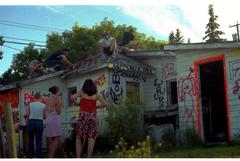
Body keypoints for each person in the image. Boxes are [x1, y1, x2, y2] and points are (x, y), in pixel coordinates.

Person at [70, 79, 108, 158]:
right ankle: (89, 158)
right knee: (91, 138)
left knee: (79, 137)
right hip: (92, 117)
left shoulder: (82, 92)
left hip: (83, 117)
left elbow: (72, 97)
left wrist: (76, 103)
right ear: (93, 86)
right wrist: (97, 106)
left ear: (84, 86)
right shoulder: (96, 94)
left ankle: (78, 157)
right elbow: (105, 104)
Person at [44, 86, 63, 158]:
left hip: (48, 119)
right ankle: (51, 156)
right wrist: (59, 106)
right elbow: (59, 111)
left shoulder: (48, 99)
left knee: (50, 138)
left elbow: (46, 109)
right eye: (59, 91)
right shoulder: (56, 98)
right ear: (57, 91)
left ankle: (50, 156)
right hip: (54, 119)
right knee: (56, 138)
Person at [26, 92, 45, 158]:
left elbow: (28, 115)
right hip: (39, 122)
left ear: (34, 98)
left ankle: (30, 156)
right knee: (39, 140)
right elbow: (45, 116)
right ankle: (38, 156)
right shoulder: (43, 105)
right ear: (40, 98)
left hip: (31, 121)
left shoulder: (30, 104)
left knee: (30, 140)